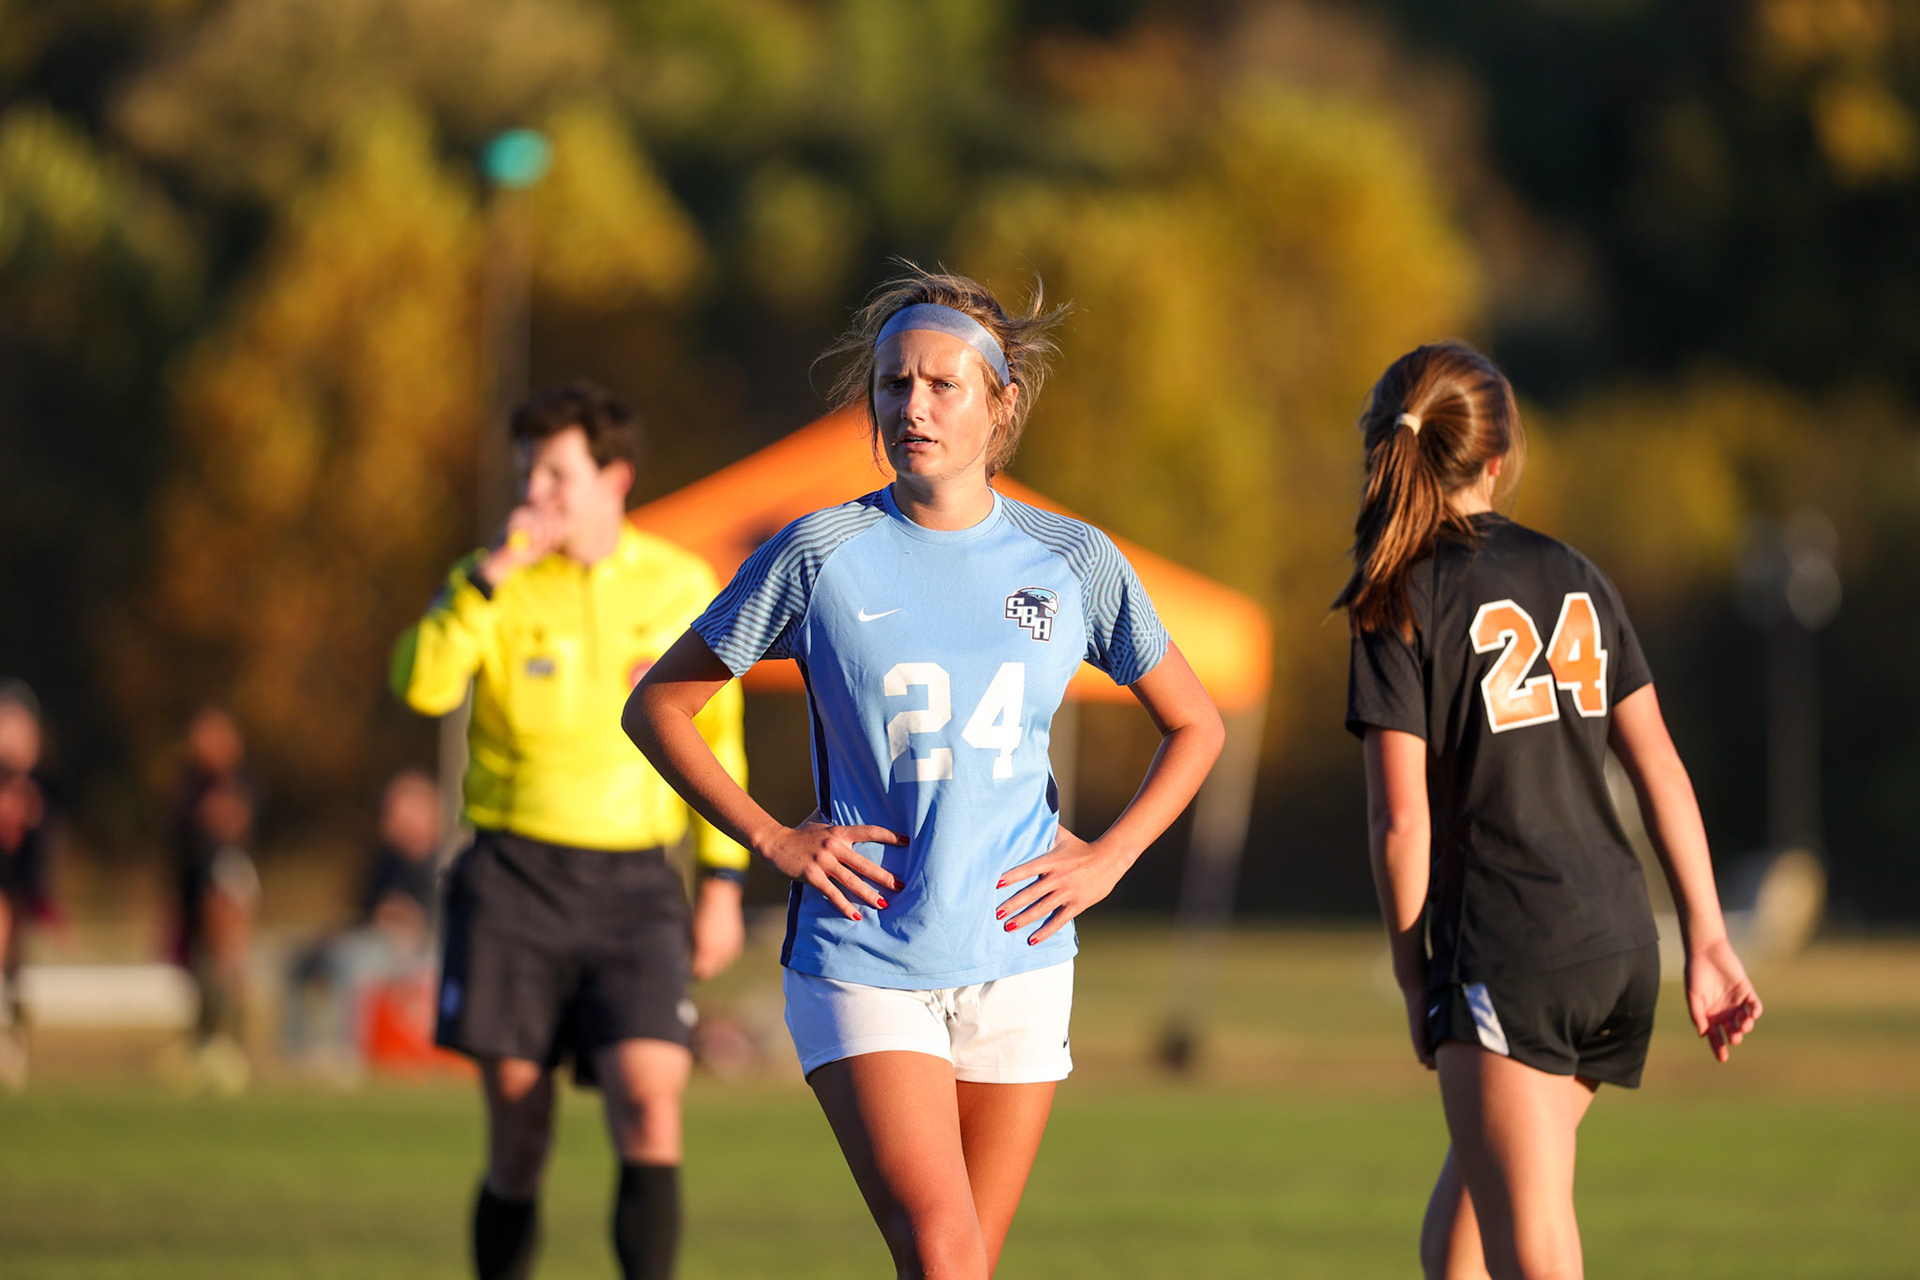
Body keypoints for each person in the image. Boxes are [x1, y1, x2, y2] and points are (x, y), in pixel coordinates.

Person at [623, 267, 1225, 1279]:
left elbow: (1196, 723)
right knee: (946, 1252)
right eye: (895, 383)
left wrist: (1111, 857)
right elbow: (658, 705)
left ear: (1001, 402)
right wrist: (770, 836)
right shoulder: (818, 551)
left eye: (944, 384)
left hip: (1021, 952)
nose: (914, 406)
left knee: (959, 1264)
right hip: (866, 950)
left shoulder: (1072, 559)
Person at [1336, 341, 1763, 1279]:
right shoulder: (1575, 572)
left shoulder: (1396, 595)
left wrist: (1414, 978)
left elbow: (1400, 825)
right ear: (1497, 460)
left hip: (1511, 951)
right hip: (1617, 947)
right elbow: (1660, 766)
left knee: (1533, 1253)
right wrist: (1707, 938)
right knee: (1455, 1250)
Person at [391, 380, 750, 1280]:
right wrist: (486, 579)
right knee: (520, 1133)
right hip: (512, 881)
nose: (535, 492)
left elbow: (720, 741)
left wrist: (722, 882)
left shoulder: (679, 583)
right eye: (527, 472)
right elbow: (422, 686)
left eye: (555, 473)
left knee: (649, 1104)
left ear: (614, 478)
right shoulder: (492, 581)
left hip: (636, 887)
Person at [283, 769, 442, 1076]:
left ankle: (347, 1051)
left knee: (353, 964)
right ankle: (296, 1048)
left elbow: (429, 922)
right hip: (370, 938)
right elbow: (363, 909)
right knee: (300, 962)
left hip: (411, 951)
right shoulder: (383, 861)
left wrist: (400, 918)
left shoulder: (437, 863)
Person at [168, 704, 259, 1093]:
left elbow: (233, 830)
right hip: (193, 884)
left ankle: (229, 1042)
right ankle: (205, 1040)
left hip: (222, 879)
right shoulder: (190, 787)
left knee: (226, 963)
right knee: (201, 967)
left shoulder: (240, 785)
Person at [0, 680, 58, 1091]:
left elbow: (42, 855)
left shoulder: (41, 789)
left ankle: (12, 1037)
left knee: (15, 960)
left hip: (20, 889)